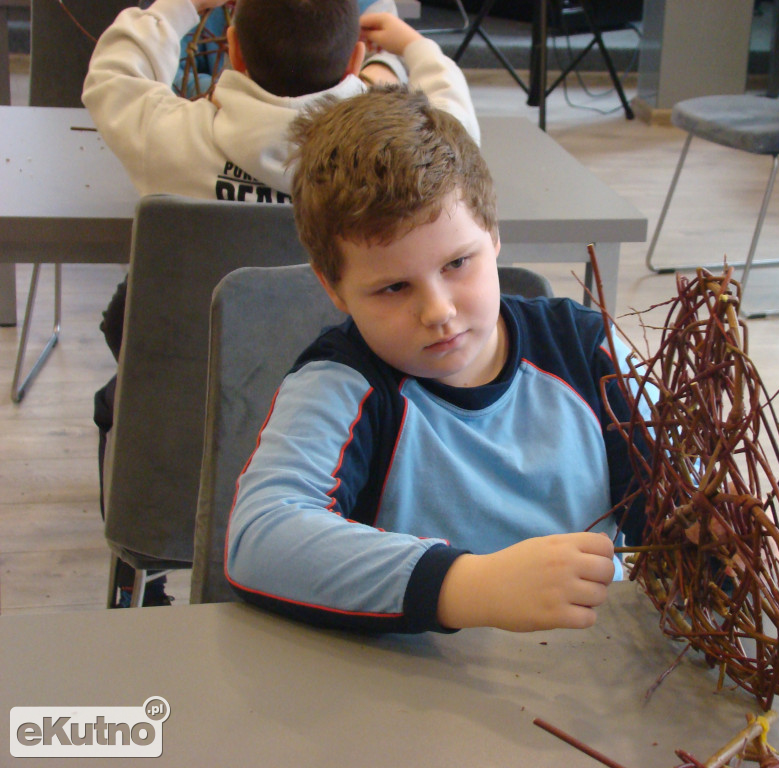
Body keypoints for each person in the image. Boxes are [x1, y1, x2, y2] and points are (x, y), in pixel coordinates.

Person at [83, 0, 479, 606]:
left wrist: (179, 7)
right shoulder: (397, 172)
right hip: (360, 473)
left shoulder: (171, 140)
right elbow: (449, 119)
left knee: (126, 323)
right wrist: (404, 49)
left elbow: (111, 76)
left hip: (175, 457)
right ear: (353, 56)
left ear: (234, 49)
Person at [225, 86, 648, 634]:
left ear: (493, 237)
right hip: (412, 691)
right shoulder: (342, 384)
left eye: (457, 263)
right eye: (394, 287)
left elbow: (677, 500)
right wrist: (467, 586)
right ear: (334, 289)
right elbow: (259, 536)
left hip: (591, 680)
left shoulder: (587, 351)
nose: (438, 312)